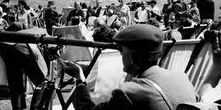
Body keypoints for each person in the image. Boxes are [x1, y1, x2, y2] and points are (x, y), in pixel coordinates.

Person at [59, 24, 197, 109]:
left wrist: (80, 80)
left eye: (122, 51)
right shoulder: (183, 79)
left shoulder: (130, 93)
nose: (121, 55)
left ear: (132, 57)